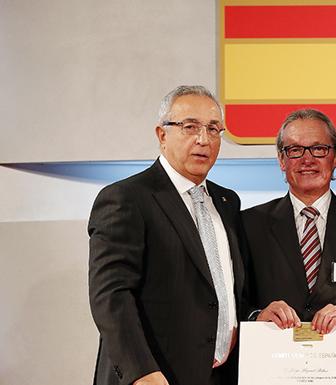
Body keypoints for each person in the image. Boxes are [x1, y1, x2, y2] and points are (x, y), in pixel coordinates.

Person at [88, 85, 246, 385]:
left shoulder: (227, 202)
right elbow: (110, 296)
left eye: (214, 129)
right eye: (190, 127)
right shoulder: (126, 198)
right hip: (154, 377)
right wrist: (142, 373)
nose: (204, 139)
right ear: (162, 135)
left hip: (218, 374)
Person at [241, 109, 336, 350]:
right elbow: (231, 308)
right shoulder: (248, 225)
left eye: (319, 149)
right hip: (272, 366)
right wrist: (257, 317)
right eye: (294, 150)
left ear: (335, 158)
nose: (307, 159)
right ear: (281, 160)